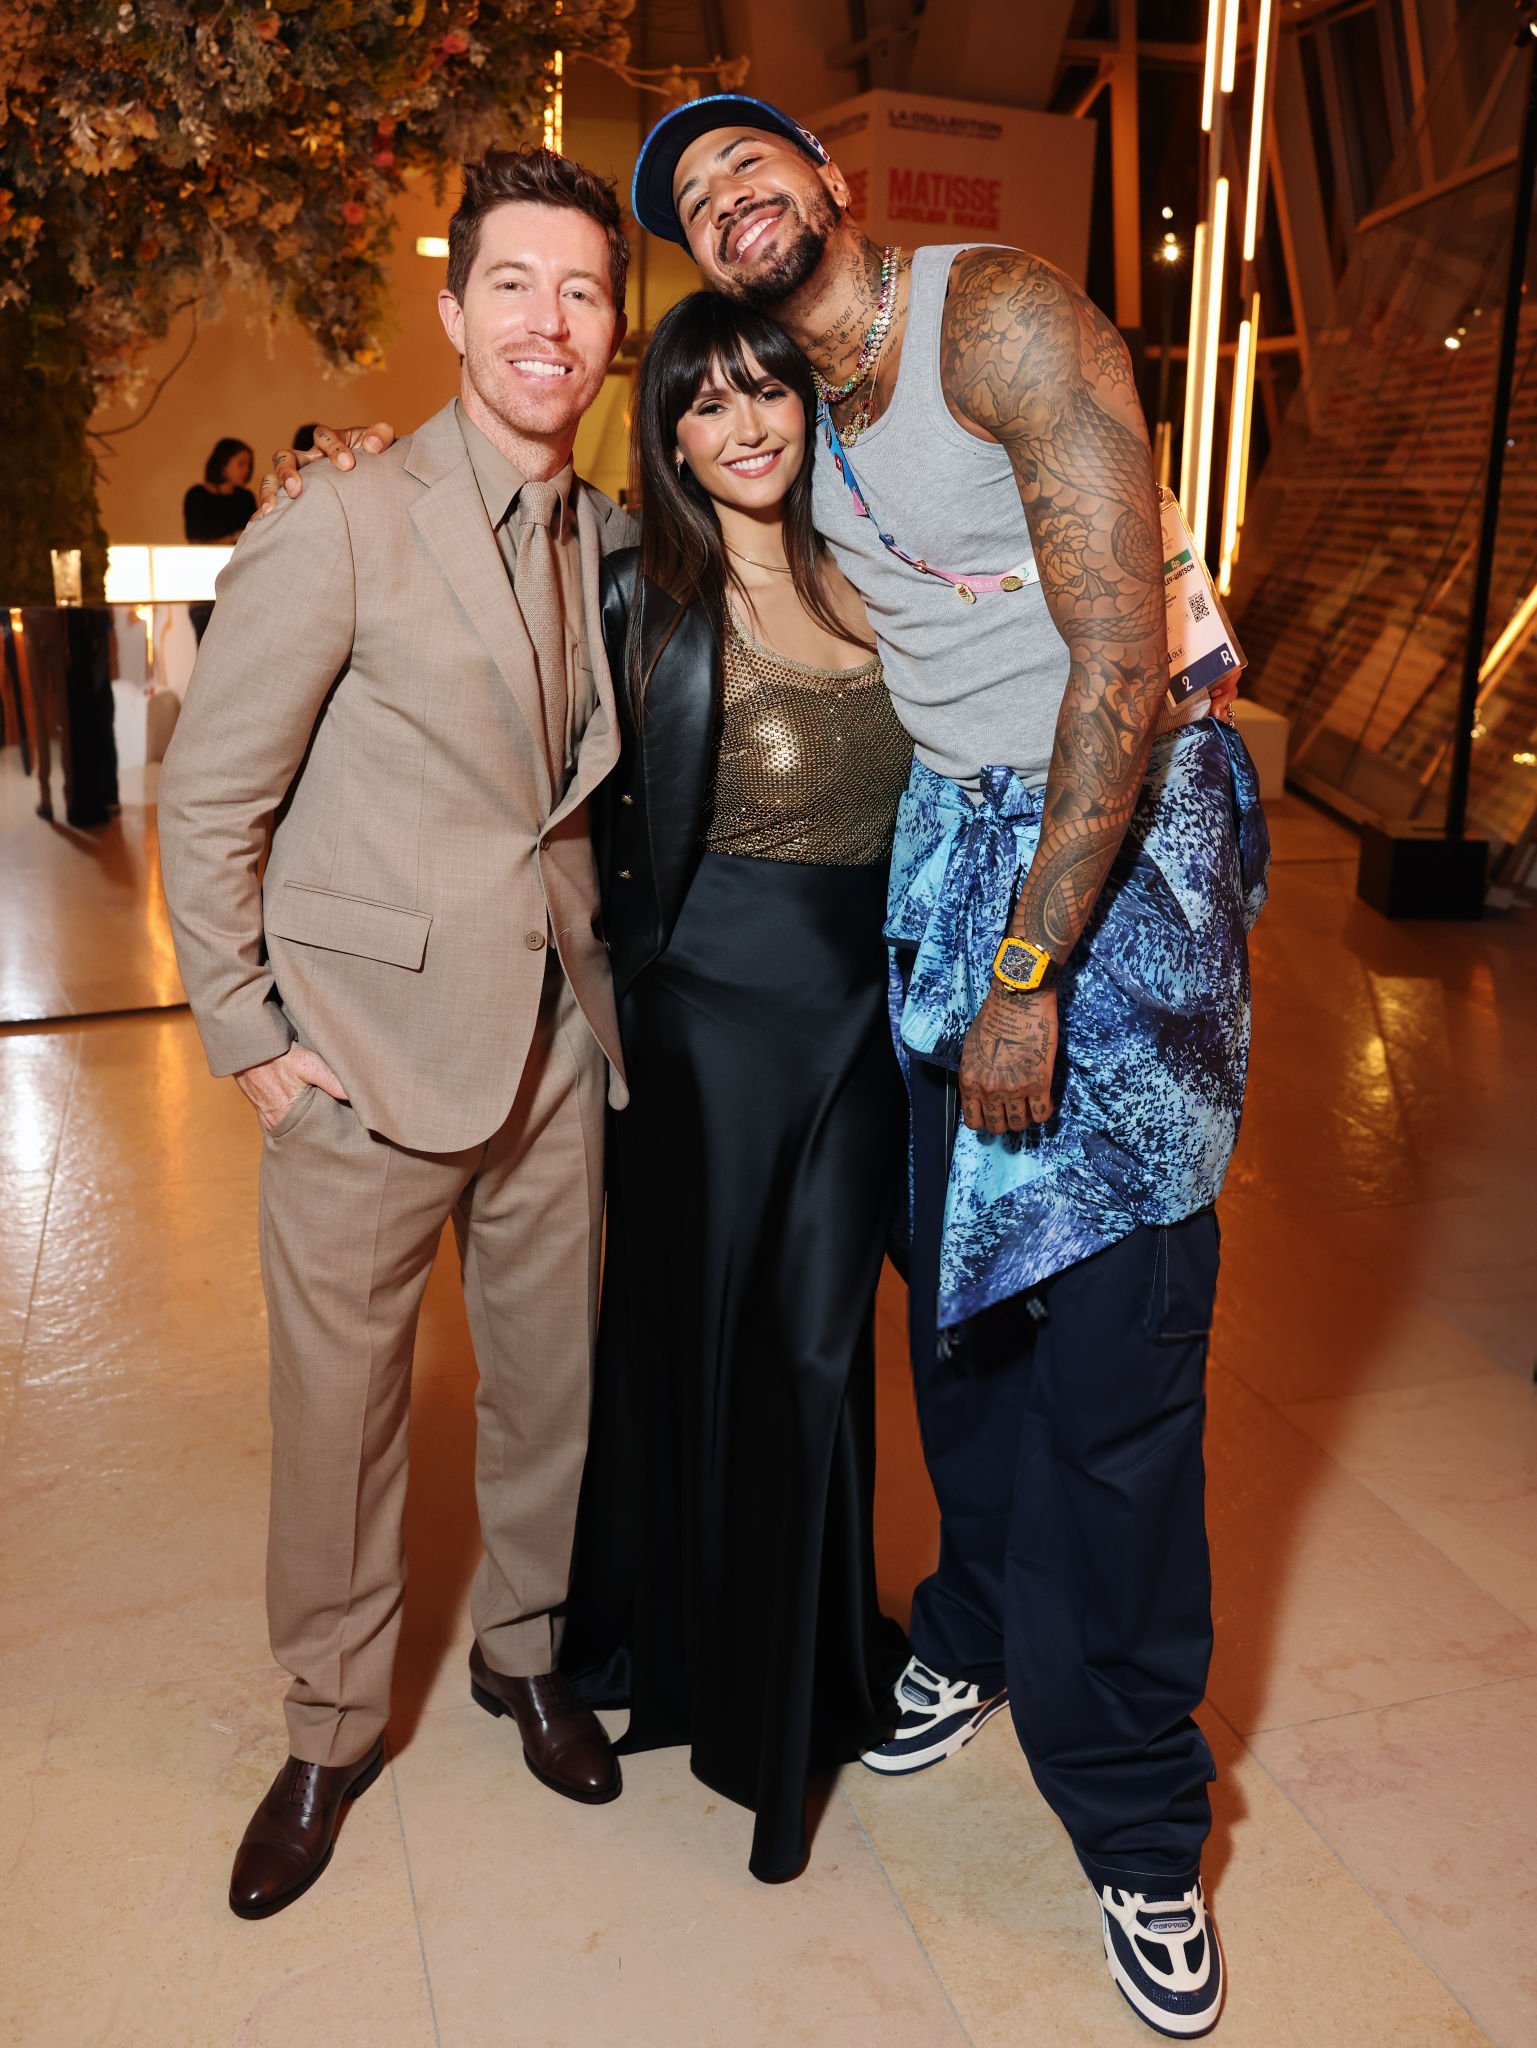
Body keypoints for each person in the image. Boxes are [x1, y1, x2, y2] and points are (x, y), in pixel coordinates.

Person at [625, 96, 1267, 2039]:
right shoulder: (798, 414)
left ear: (830, 180)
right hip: (942, 877)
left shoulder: (995, 315)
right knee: (960, 1320)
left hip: (1108, 882)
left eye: (749, 161)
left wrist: (1030, 971)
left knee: (1119, 1369)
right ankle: (970, 1630)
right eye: (691, 198)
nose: (727, 196)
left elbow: (1121, 666)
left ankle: (1139, 1825)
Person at [156, 145, 637, 1922]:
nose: (548, 321)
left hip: (552, 1045)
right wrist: (247, 1031)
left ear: (612, 329)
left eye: (581, 291)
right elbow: (211, 794)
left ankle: (523, 1651)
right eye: (514, 284)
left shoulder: (611, 536)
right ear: (452, 313)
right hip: (358, 1055)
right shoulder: (344, 518)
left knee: (549, 1390)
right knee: (340, 1419)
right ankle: (330, 1728)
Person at [557, 292, 911, 1883]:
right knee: (701, 1341)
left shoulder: (878, 568)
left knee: (821, 1350)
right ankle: (697, 1658)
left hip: (862, 1017)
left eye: (767, 388)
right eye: (706, 403)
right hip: (708, 1026)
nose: (746, 423)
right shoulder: (637, 589)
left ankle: (804, 1669)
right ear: (672, 438)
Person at [182, 438, 257, 542]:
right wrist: (233, 538)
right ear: (223, 465)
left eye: (249, 465)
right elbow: (195, 541)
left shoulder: (246, 497)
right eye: (241, 464)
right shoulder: (197, 496)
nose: (247, 470)